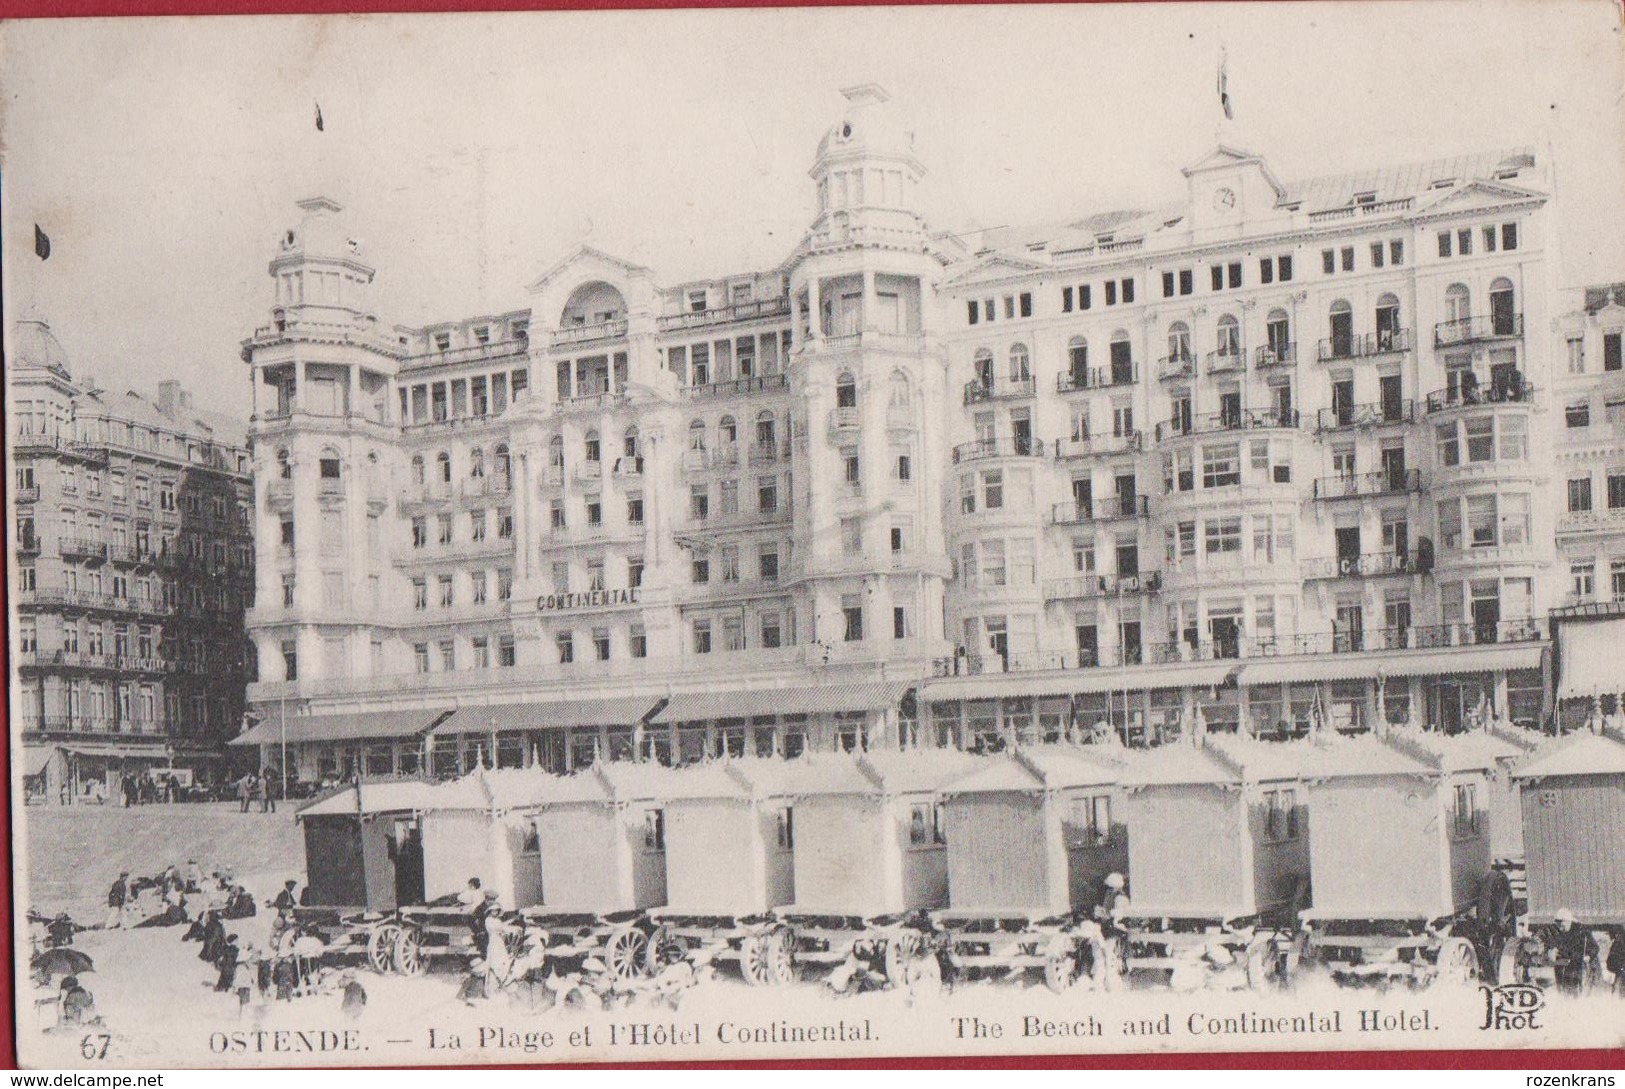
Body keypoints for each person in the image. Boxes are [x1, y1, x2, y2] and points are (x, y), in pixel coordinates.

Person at [1549, 907, 1595, 995]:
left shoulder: (1582, 932)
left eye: (1562, 925)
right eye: (1558, 925)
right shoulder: (1555, 931)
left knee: (1575, 990)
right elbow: (1549, 944)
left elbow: (1594, 947)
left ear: (1569, 921)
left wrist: (1589, 956)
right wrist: (1551, 950)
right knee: (1561, 990)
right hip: (1561, 964)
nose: (1560, 928)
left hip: (1577, 964)